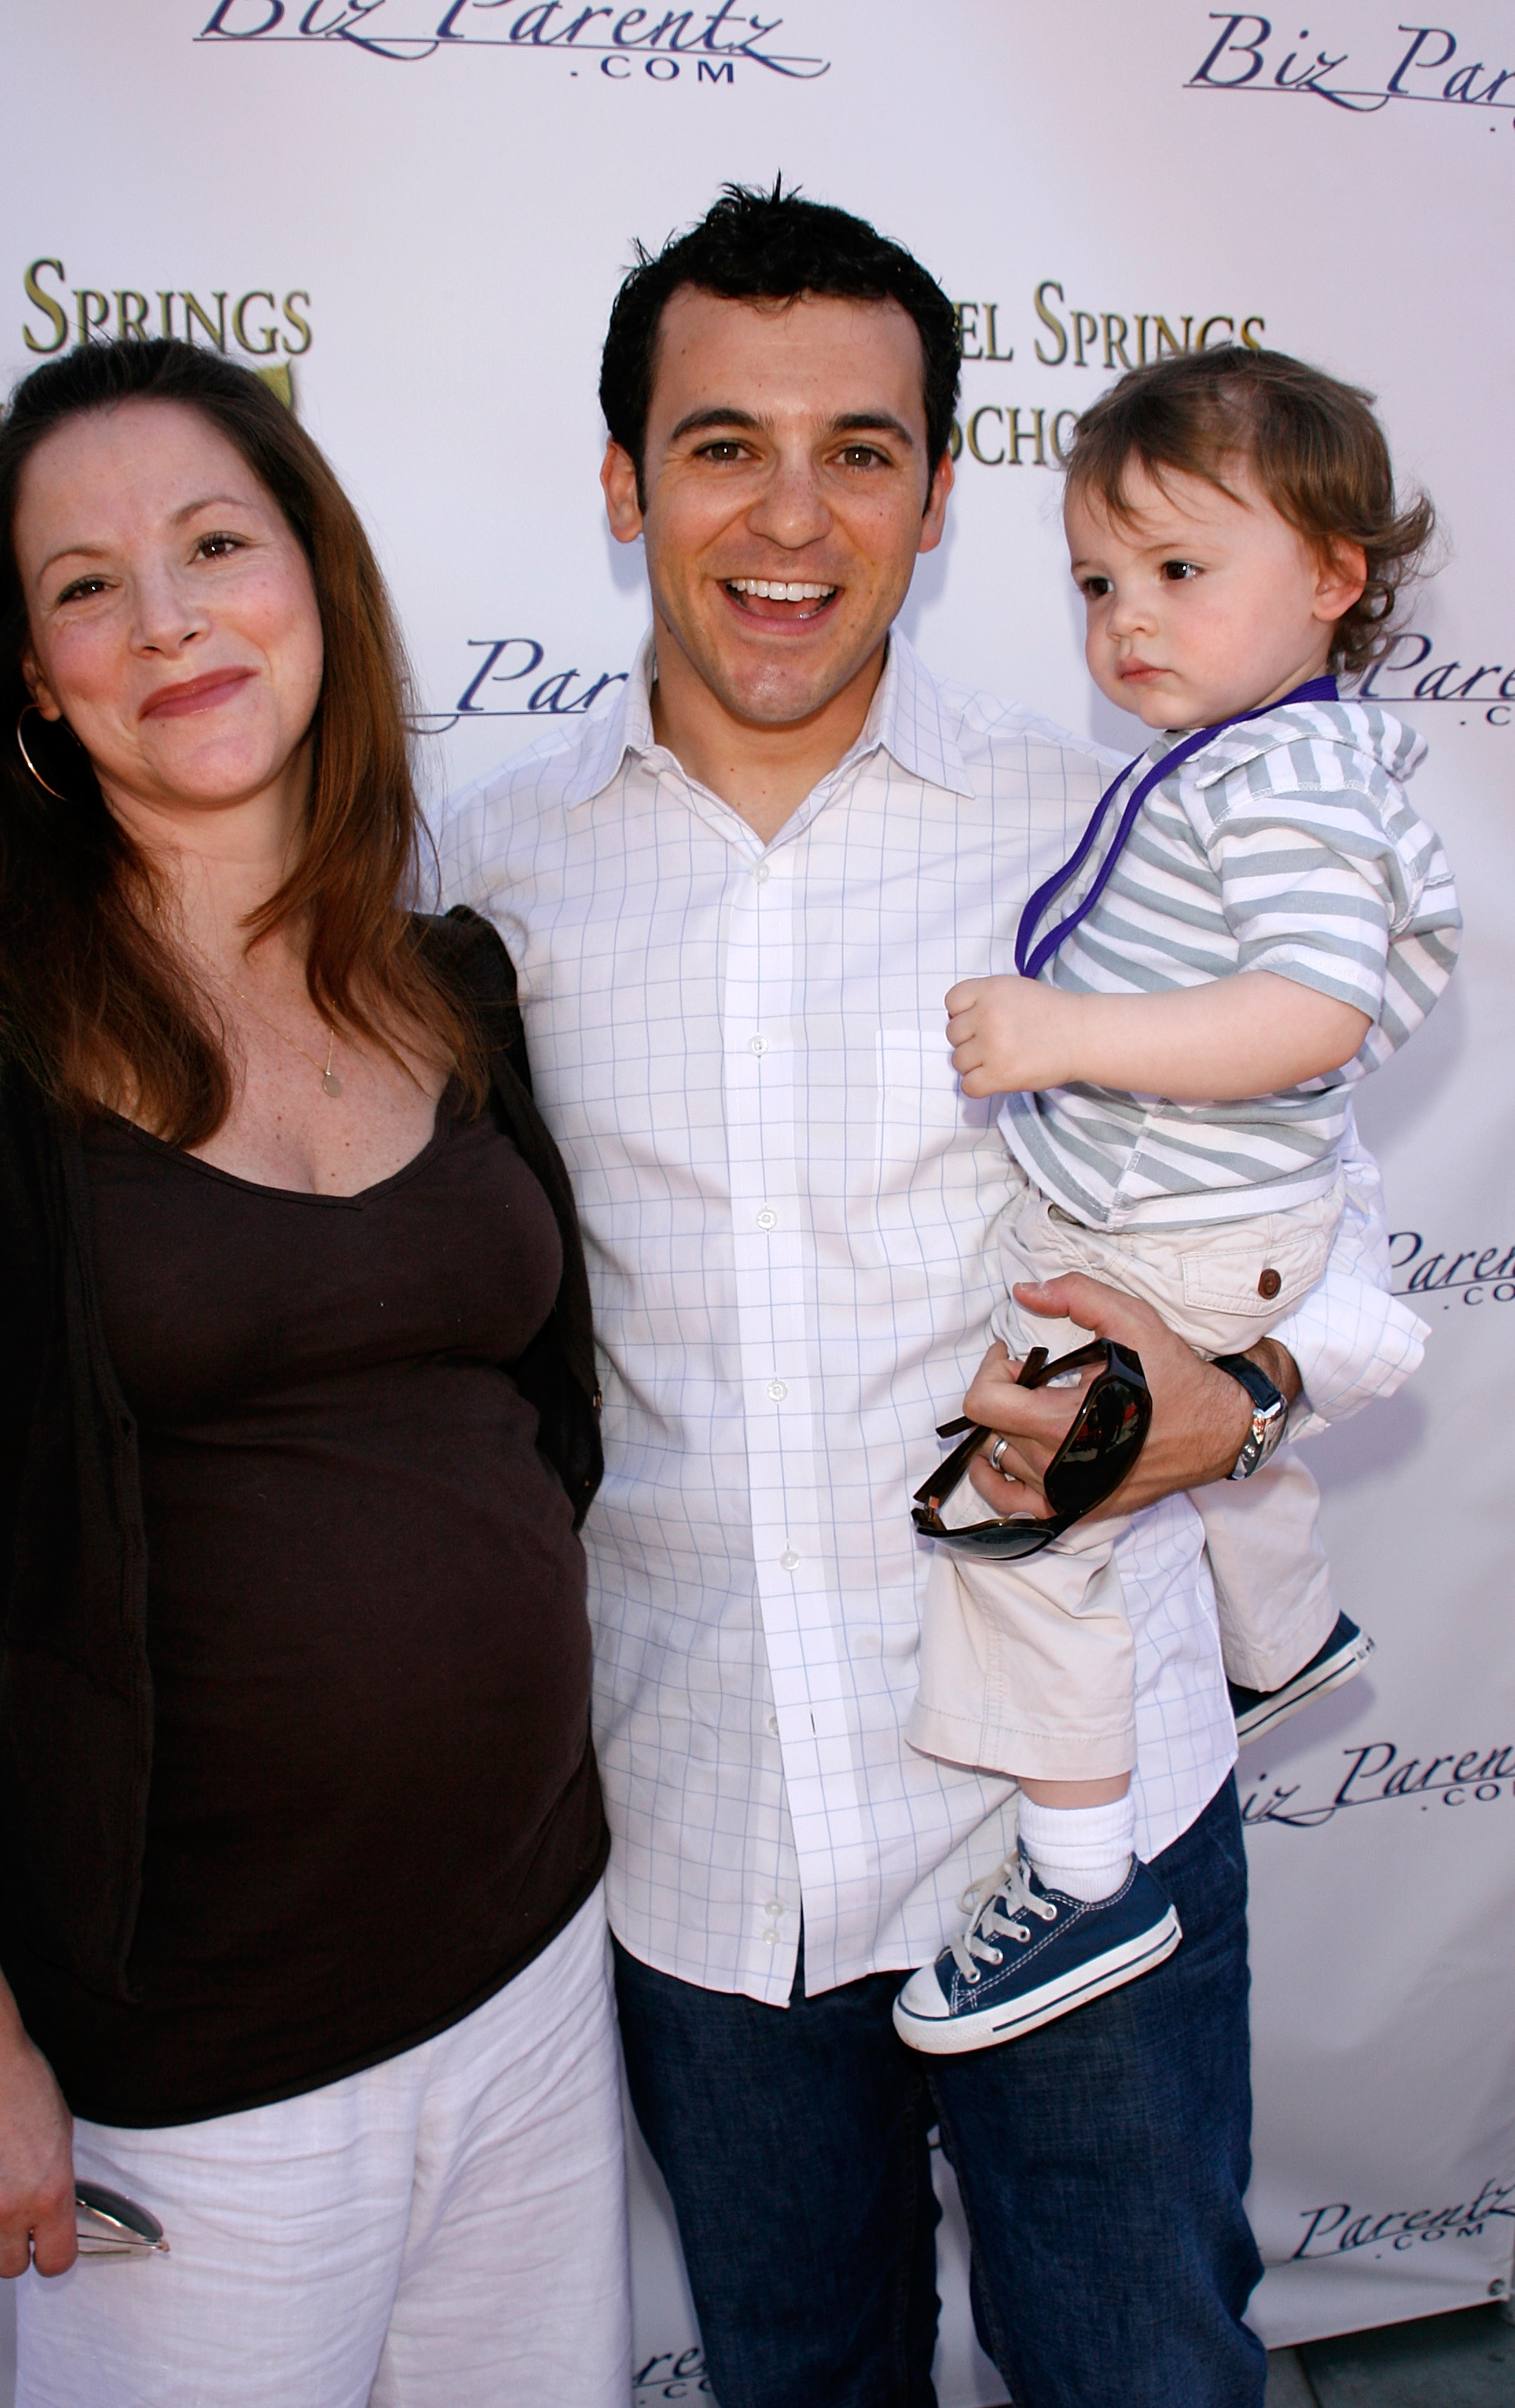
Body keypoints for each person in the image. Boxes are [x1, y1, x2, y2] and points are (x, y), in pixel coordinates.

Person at [440, 182, 1431, 2408]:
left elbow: (1318, 1235)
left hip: (1065, 1826)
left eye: (859, 449)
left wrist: (1236, 1395)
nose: (791, 516)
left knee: (1139, 2369)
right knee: (796, 2375)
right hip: (696, 1839)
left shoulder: (1103, 834)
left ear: (935, 493)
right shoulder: (480, 874)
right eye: (720, 444)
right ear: (622, 485)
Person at [0, 336, 630, 2408]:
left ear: (315, 584)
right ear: (33, 679)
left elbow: (542, 1429)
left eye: (219, 544)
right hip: (193, 2078)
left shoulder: (456, 985)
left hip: (532, 1980)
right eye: (85, 585)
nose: (168, 619)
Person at [893, 347, 1459, 2055]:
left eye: (1178, 571)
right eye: (1095, 581)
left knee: (1017, 1519)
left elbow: (1314, 1013)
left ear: (1333, 578)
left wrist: (1068, 1031)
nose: (1126, 618)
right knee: (1196, 1452)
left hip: (1181, 1233)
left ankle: (1079, 1883)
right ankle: (1282, 1637)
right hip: (1201, 1229)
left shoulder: (1281, 774)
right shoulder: (1250, 755)